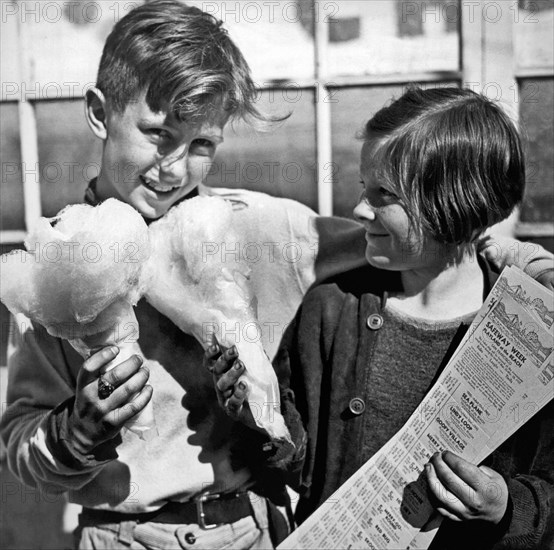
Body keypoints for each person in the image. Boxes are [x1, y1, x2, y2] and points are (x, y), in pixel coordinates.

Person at [1, 1, 552, 547]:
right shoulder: (55, 260)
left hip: (253, 528)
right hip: (119, 535)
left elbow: (422, 230)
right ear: (100, 111)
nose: (173, 168)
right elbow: (19, 442)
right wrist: (75, 431)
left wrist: (525, 267)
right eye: (157, 133)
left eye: (201, 145)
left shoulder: (261, 230)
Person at [211, 87, 554, 550]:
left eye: (384, 195)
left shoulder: (537, 331)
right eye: (362, 188)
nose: (358, 210)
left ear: (456, 205)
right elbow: (301, 463)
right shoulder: (330, 308)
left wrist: (506, 507)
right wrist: (263, 419)